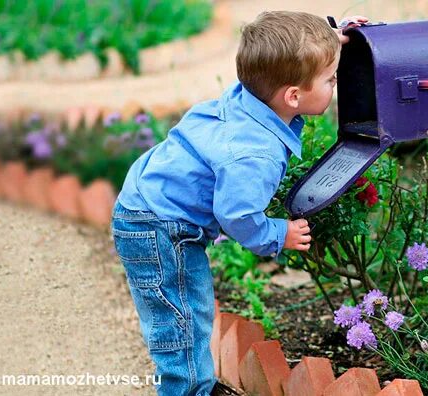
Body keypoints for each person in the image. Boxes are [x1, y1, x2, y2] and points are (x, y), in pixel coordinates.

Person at [109, 11, 367, 395]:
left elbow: (282, 58)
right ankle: (187, 389)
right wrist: (279, 234)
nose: (336, 83)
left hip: (152, 203)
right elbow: (237, 215)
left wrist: (332, 38)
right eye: (330, 79)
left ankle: (197, 384)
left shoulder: (255, 96)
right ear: (293, 95)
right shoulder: (253, 154)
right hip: (159, 227)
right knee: (180, 322)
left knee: (189, 312)